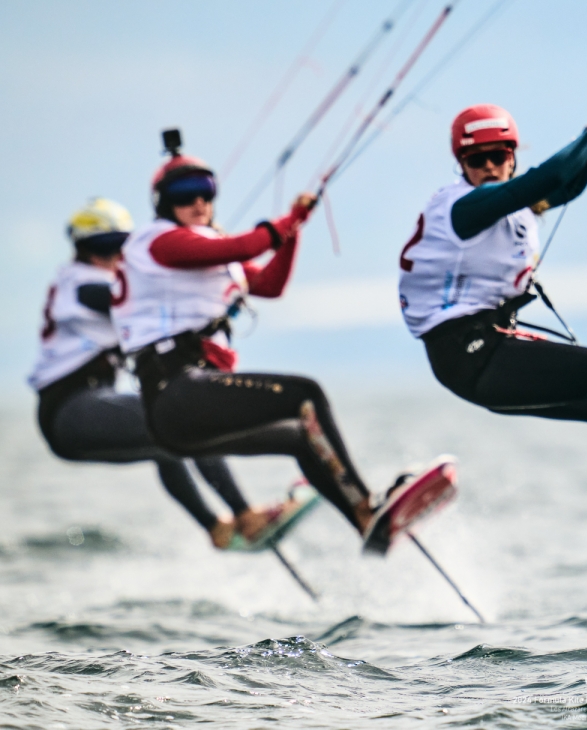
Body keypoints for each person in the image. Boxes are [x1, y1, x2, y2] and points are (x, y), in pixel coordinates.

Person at [110, 136, 406, 553]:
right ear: (162, 202)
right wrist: (287, 221)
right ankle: (366, 506)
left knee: (300, 436)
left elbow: (269, 283)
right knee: (305, 393)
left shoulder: (206, 252)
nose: (198, 202)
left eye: (206, 192)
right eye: (183, 194)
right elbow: (245, 245)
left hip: (191, 408)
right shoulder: (158, 241)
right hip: (175, 393)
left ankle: (364, 525)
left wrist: (294, 232)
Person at [397, 94, 587, 507]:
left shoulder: (513, 205)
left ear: (511, 155)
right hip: (469, 354)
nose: (488, 168)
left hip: (487, 348)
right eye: (475, 160)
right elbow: (547, 177)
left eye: (497, 155)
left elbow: (565, 184)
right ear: (461, 164)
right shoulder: (464, 206)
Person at [30, 198, 282, 549]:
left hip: (78, 413)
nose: (113, 254)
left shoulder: (110, 283)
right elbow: (128, 304)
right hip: (70, 410)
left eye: (120, 245)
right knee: (180, 417)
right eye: (102, 246)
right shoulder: (80, 284)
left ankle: (218, 528)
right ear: (82, 249)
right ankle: (246, 514)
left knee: (167, 442)